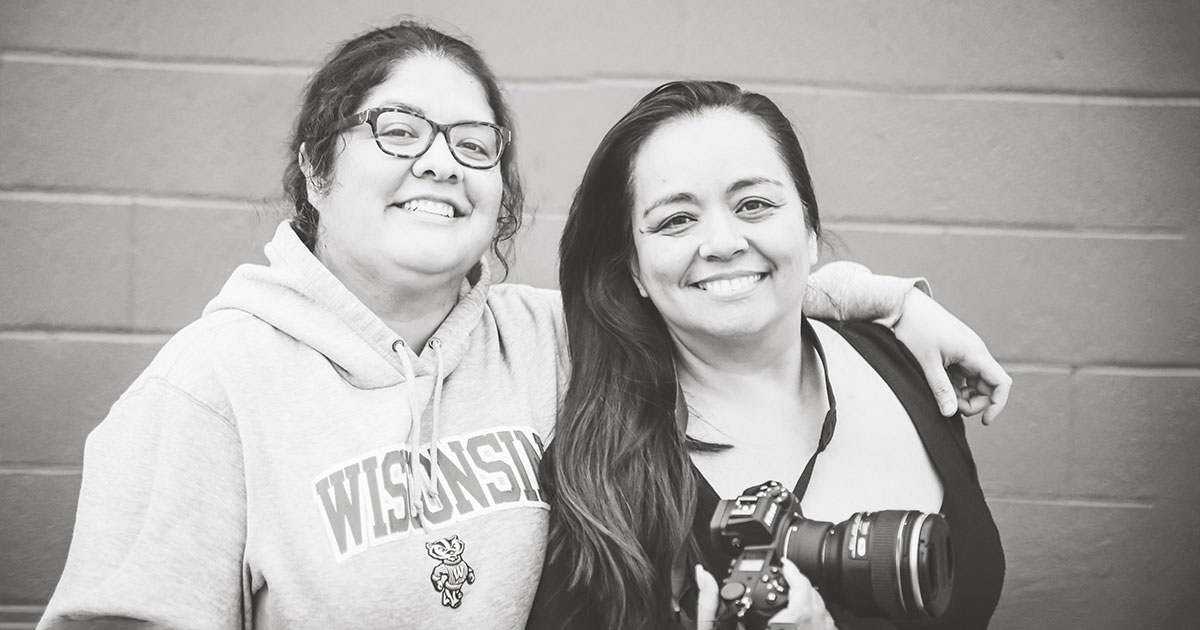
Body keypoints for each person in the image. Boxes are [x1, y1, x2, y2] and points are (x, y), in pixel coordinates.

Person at [38, 22, 1007, 630]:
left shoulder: (545, 340)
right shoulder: (208, 386)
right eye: (398, 130)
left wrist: (885, 300)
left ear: (499, 193)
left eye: (474, 143)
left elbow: (715, 291)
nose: (440, 163)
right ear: (315, 168)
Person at [530, 81, 1005, 630]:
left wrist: (901, 303)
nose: (723, 242)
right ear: (635, 267)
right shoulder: (601, 484)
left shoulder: (906, 363)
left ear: (808, 229)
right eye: (676, 219)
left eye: (754, 205)